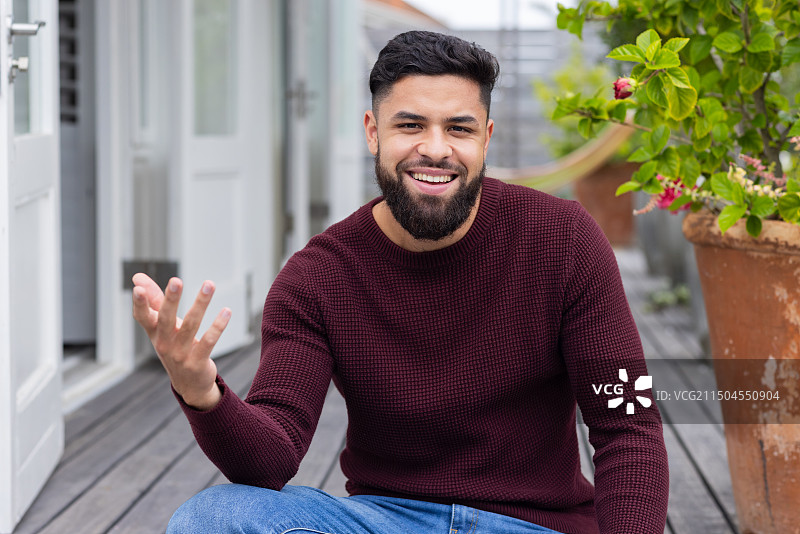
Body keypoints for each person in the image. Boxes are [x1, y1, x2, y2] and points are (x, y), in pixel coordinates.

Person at [132, 30, 669, 534]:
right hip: (387, 519)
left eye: (457, 128)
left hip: (533, 523)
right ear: (373, 132)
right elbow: (272, 459)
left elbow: (628, 426)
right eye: (410, 125)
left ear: (486, 138)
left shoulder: (563, 239)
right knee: (213, 517)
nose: (435, 149)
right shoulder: (319, 277)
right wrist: (201, 392)